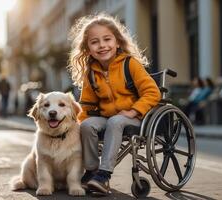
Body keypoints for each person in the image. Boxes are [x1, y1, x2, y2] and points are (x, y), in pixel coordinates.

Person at [67, 13, 161, 195]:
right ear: (87, 48)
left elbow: (152, 92)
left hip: (136, 118)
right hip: (107, 118)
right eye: (94, 42)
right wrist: (76, 127)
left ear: (117, 42)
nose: (102, 45)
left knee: (116, 121)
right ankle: (92, 171)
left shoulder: (130, 64)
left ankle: (104, 175)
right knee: (86, 125)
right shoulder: (91, 73)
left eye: (107, 39)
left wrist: (134, 111)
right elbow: (86, 106)